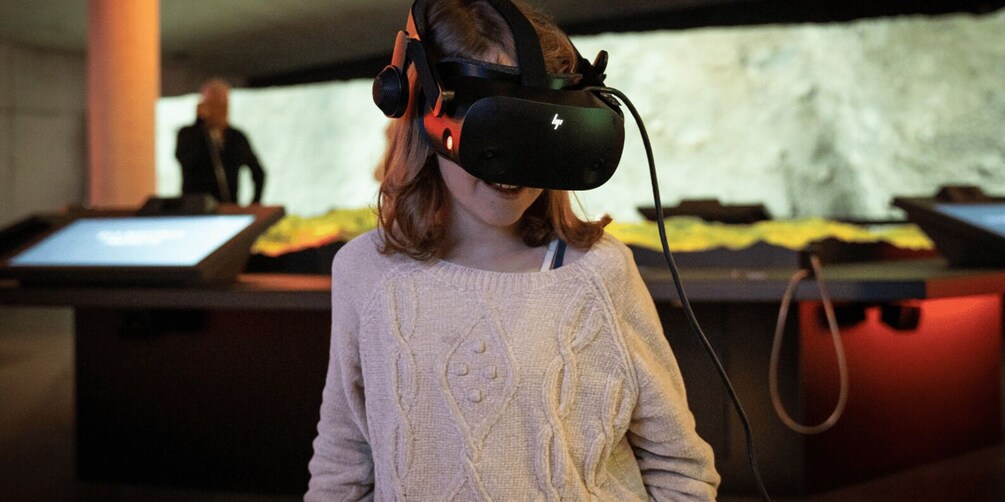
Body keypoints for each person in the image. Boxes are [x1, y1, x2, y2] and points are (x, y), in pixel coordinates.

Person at [305, 1, 720, 500]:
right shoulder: (365, 273)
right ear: (424, 111)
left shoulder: (600, 274)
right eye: (496, 123)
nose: (516, 165)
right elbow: (342, 469)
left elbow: (682, 472)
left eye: (537, 127)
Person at [175, 78, 266, 204]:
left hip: (227, 206)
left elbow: (258, 172)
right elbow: (186, 159)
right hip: (196, 207)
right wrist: (200, 123)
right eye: (215, 105)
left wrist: (255, 202)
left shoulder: (237, 137)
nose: (221, 111)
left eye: (224, 105)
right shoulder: (188, 134)